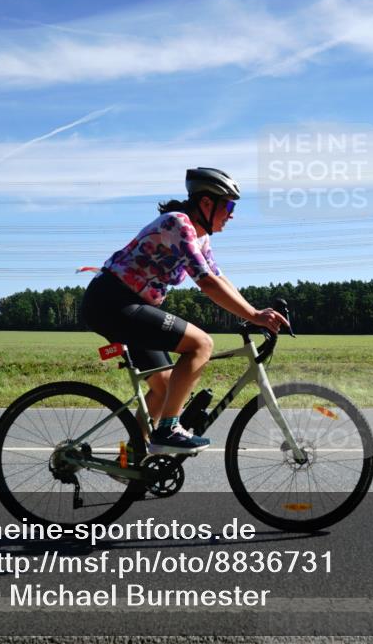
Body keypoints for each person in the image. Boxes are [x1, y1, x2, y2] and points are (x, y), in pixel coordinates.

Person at [81, 167, 288, 455]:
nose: (232, 214)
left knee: (165, 388)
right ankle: (168, 430)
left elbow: (218, 277)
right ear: (206, 203)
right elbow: (205, 282)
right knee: (201, 343)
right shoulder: (178, 224)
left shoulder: (202, 238)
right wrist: (253, 316)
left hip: (128, 305)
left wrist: (254, 311)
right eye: (228, 205)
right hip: (113, 302)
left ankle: (131, 461)